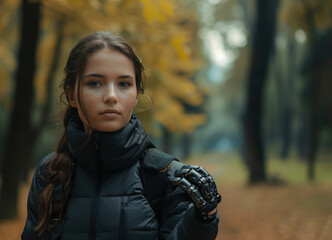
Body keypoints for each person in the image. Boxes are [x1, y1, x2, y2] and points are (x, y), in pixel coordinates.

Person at [21, 31, 221, 240]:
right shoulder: (49, 173)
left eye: (124, 84)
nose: (111, 96)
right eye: (95, 83)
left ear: (136, 95)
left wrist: (201, 221)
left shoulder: (165, 176)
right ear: (71, 95)